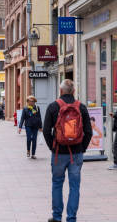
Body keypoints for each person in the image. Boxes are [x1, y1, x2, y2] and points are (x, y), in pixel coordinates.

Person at [43, 80, 92, 222]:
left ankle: (57, 217)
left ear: (60, 91)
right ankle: (71, 218)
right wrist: (81, 148)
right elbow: (88, 132)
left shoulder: (53, 107)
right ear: (74, 92)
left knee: (57, 183)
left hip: (58, 153)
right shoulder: (81, 107)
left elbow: (46, 131)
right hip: (76, 153)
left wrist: (52, 147)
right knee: (74, 186)